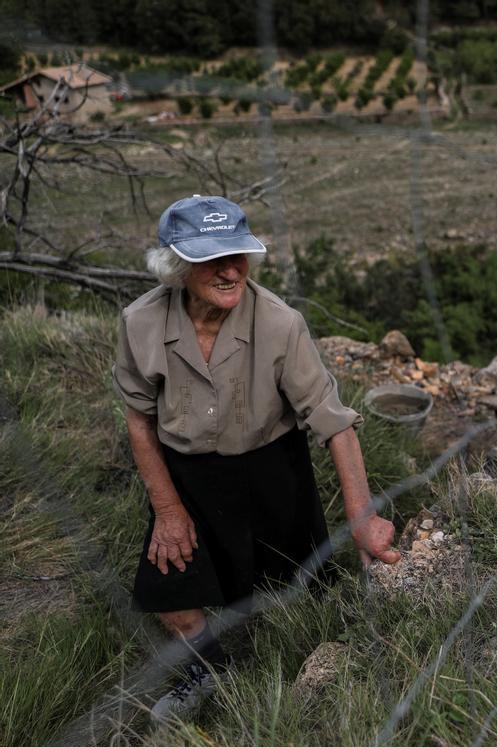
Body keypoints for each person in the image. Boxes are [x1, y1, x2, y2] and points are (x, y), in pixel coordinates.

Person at [113, 195, 401, 720]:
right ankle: (209, 671)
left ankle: (323, 672)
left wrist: (362, 518)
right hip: (189, 475)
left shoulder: (280, 323)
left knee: (303, 589)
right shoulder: (140, 323)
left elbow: (333, 422)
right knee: (170, 586)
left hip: (272, 466)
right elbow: (139, 419)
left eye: (237, 254)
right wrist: (168, 510)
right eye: (210, 258)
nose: (229, 271)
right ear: (177, 266)